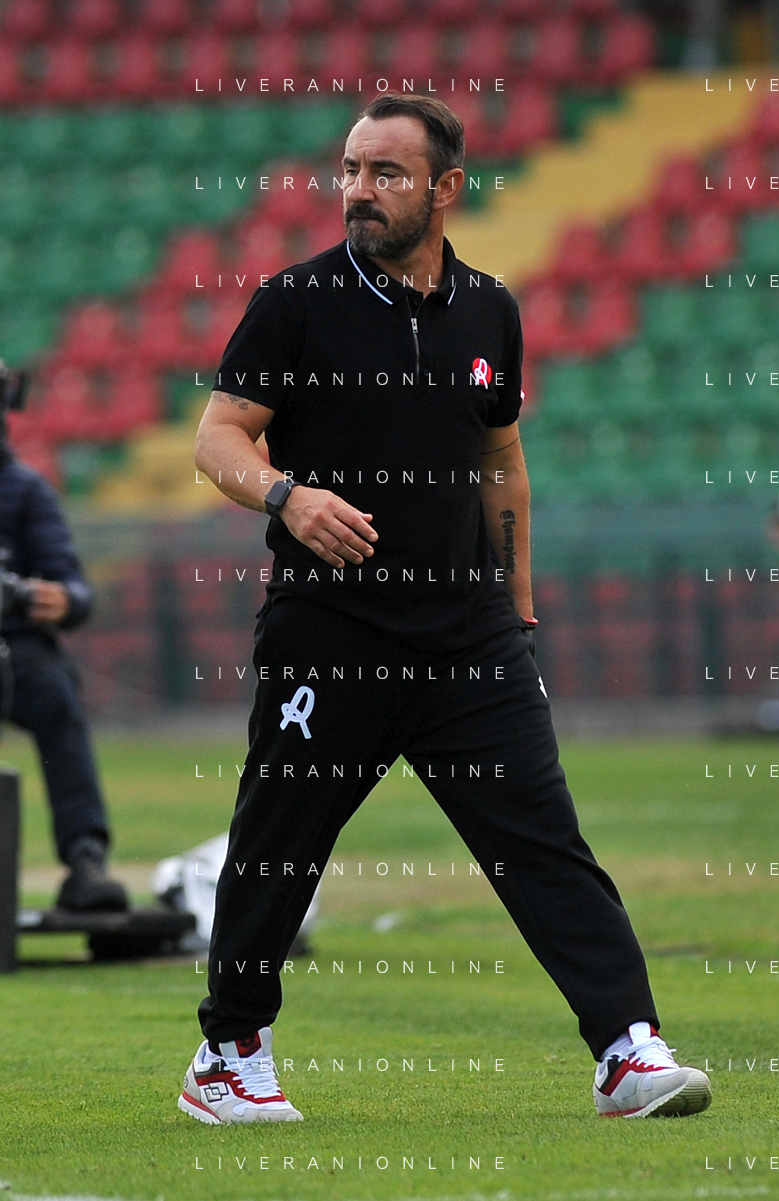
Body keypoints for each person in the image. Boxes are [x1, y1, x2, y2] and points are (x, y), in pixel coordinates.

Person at [179, 94, 711, 1125]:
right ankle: (229, 1052)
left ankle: (625, 1049)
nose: (359, 191)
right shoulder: (294, 302)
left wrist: (516, 610)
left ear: (446, 188)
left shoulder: (489, 310)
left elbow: (501, 460)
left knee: (543, 837)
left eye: (385, 173)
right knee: (279, 840)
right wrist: (289, 497)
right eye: (349, 170)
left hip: (469, 637)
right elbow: (218, 438)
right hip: (330, 631)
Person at [0, 362, 127, 913]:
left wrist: (64, 600)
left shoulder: (26, 490)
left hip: (17, 645)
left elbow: (74, 587)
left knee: (57, 697)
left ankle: (84, 857)